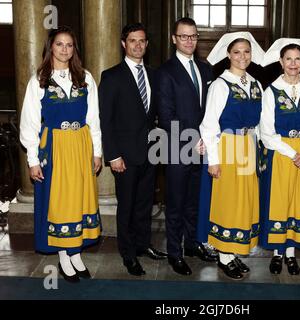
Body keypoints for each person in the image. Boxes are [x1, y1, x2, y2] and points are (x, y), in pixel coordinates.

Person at [20, 26, 102, 283]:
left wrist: (97, 151)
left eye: (69, 45)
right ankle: (64, 255)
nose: (65, 49)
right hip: (54, 146)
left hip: (80, 144)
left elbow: (94, 118)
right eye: (59, 44)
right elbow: (29, 123)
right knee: (60, 202)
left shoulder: (85, 77)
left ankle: (76, 252)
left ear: (74, 49)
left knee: (78, 199)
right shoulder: (40, 80)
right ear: (50, 47)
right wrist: (33, 160)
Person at [98, 23, 167, 277]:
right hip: (124, 156)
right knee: (126, 205)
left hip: (150, 153)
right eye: (132, 41)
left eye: (142, 41)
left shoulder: (153, 73)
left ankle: (142, 244)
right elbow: (106, 120)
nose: (138, 45)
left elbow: (154, 115)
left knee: (144, 204)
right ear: (123, 43)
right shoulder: (111, 76)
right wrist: (113, 155)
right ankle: (128, 253)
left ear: (147, 44)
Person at [198, 32, 265, 280]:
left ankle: (234, 250)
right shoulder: (220, 85)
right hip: (227, 146)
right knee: (227, 201)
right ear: (228, 55)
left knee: (243, 201)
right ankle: (224, 254)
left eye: (246, 51)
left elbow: (260, 123)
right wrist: (213, 159)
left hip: (248, 145)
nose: (242, 56)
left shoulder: (256, 85)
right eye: (237, 52)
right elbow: (208, 125)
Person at [259, 39, 300, 276]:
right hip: (281, 153)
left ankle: (291, 254)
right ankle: (278, 253)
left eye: (298, 59)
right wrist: (293, 153)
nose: (293, 63)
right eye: (289, 59)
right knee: (281, 202)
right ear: (281, 61)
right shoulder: (271, 92)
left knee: (299, 202)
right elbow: (266, 131)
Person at [157, 17, 217, 276]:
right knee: (176, 203)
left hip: (203, 148)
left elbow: (210, 111)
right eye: (184, 36)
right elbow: (166, 114)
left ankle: (192, 244)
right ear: (174, 39)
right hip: (177, 147)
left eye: (193, 36)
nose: (189, 40)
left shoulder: (206, 70)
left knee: (194, 201)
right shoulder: (164, 72)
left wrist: (208, 140)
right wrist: (194, 140)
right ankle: (174, 252)